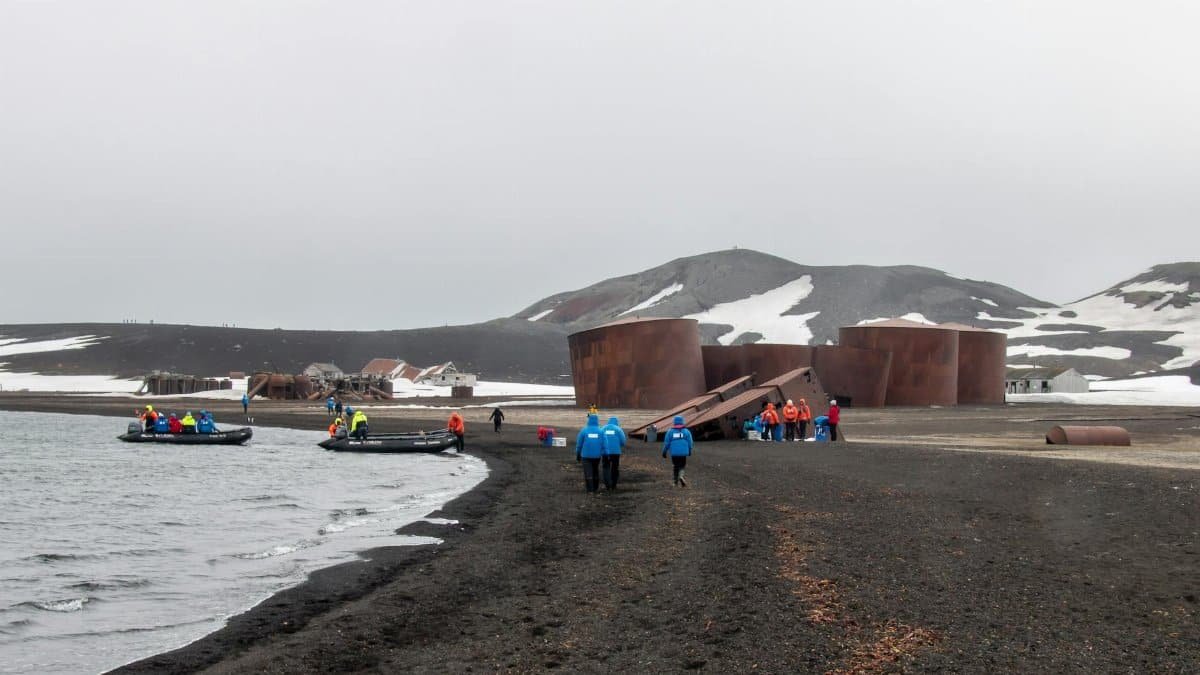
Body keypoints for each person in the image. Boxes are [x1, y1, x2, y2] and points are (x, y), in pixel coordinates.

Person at [575, 414, 604, 494]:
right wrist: (605, 453)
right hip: (597, 456)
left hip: (586, 455)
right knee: (595, 470)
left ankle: (590, 489)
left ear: (589, 420)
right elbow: (605, 444)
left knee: (588, 472)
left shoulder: (584, 430)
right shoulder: (601, 431)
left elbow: (579, 444)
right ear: (597, 421)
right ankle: (595, 488)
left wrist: (578, 454)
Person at [661, 415, 693, 487]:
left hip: (674, 453)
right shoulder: (686, 431)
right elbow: (690, 442)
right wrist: (690, 450)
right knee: (682, 466)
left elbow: (667, 443)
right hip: (683, 453)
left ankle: (675, 482)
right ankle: (681, 476)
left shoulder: (670, 432)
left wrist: (664, 452)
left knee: (675, 466)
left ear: (674, 422)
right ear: (682, 422)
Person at [601, 416, 626, 490]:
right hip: (615, 452)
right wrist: (618, 445)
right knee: (615, 468)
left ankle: (607, 484)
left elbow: (600, 439)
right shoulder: (618, 429)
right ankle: (614, 484)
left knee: (606, 467)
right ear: (616, 422)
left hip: (605, 452)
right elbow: (623, 441)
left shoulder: (603, 428)